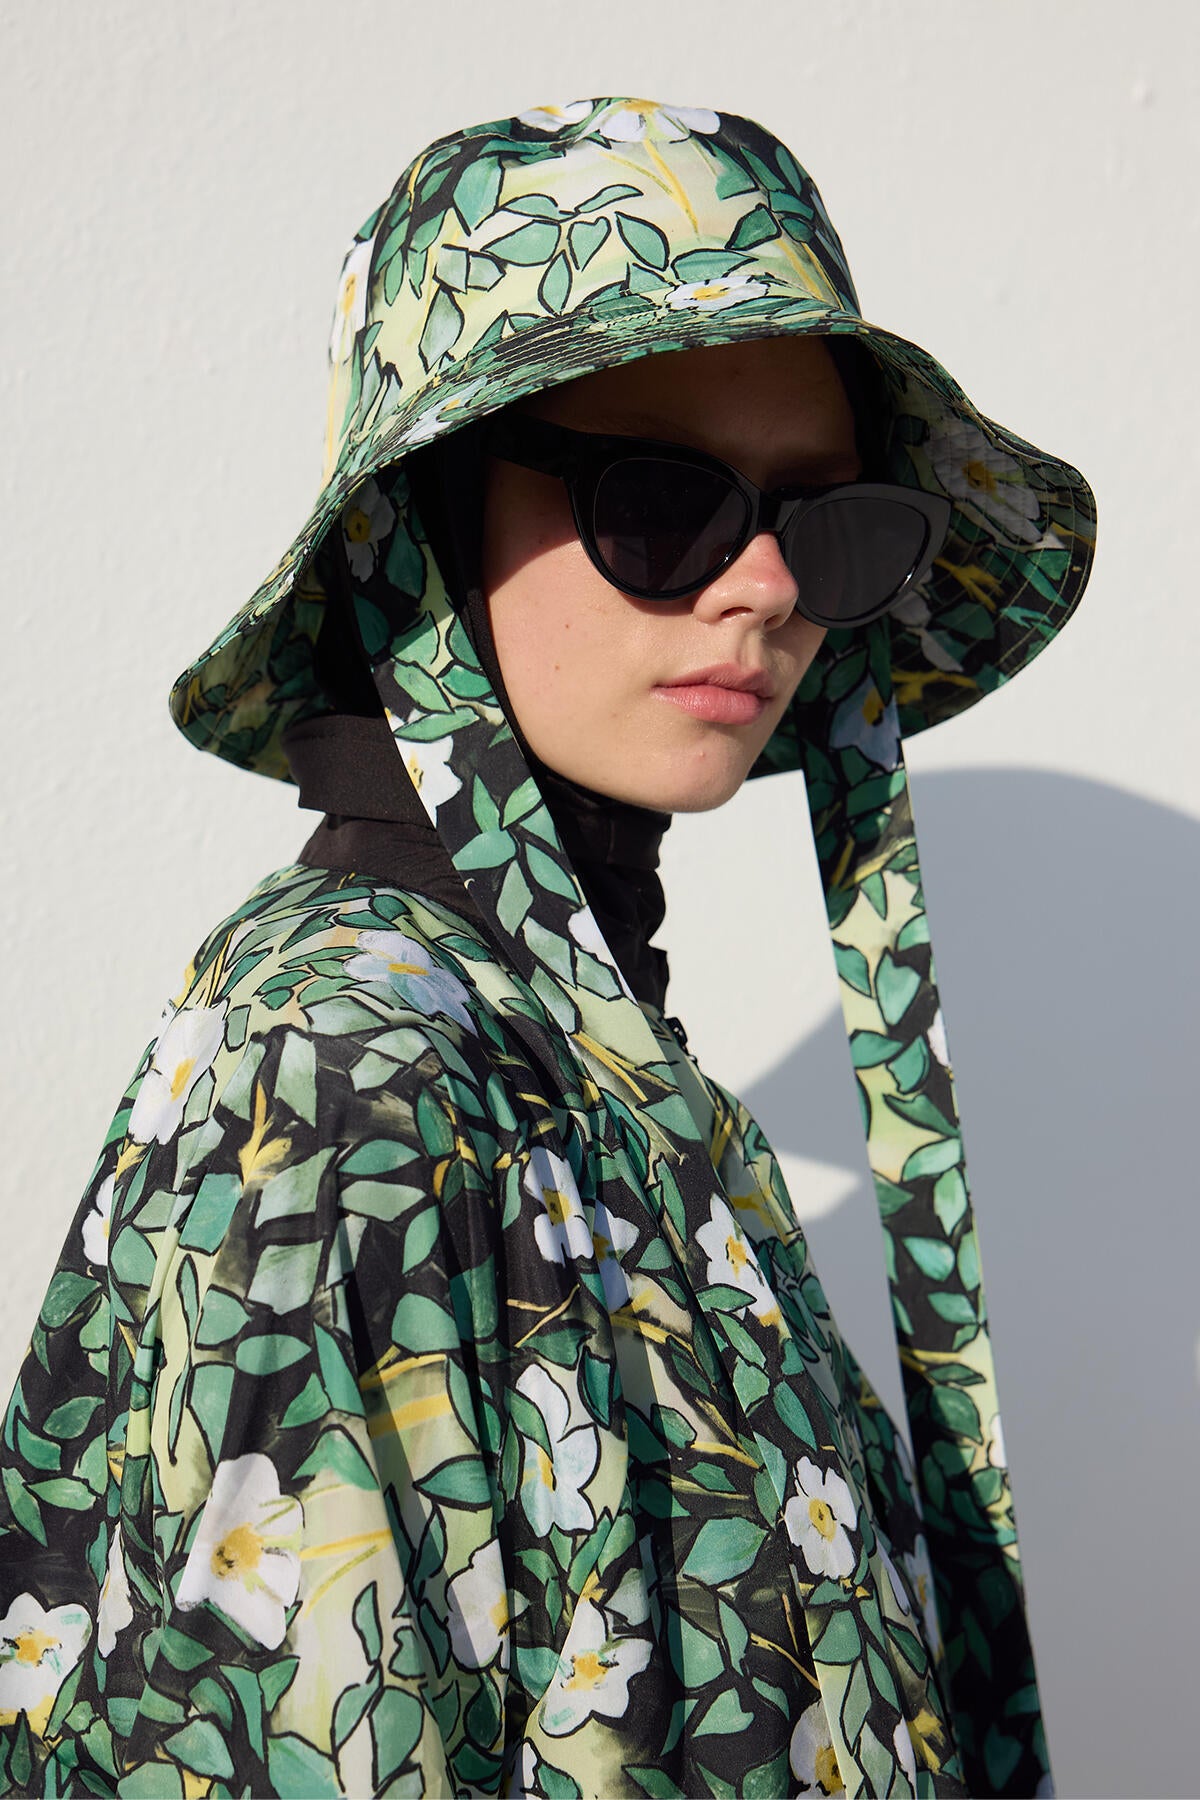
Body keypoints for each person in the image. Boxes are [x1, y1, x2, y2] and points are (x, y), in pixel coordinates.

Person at [0, 96, 1095, 1798]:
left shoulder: (594, 1076)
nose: (763, 588)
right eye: (662, 503)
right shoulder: (352, 1078)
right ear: (424, 521)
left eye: (827, 521)